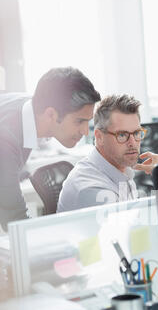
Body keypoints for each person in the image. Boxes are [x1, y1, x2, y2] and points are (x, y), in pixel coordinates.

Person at [0, 67, 100, 230]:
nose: (85, 131)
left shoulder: (34, 108)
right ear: (51, 115)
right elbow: (16, 221)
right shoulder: (7, 138)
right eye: (79, 121)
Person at [57, 94, 158, 212]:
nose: (133, 143)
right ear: (99, 137)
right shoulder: (92, 190)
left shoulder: (121, 169)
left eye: (137, 133)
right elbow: (139, 226)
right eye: (122, 135)